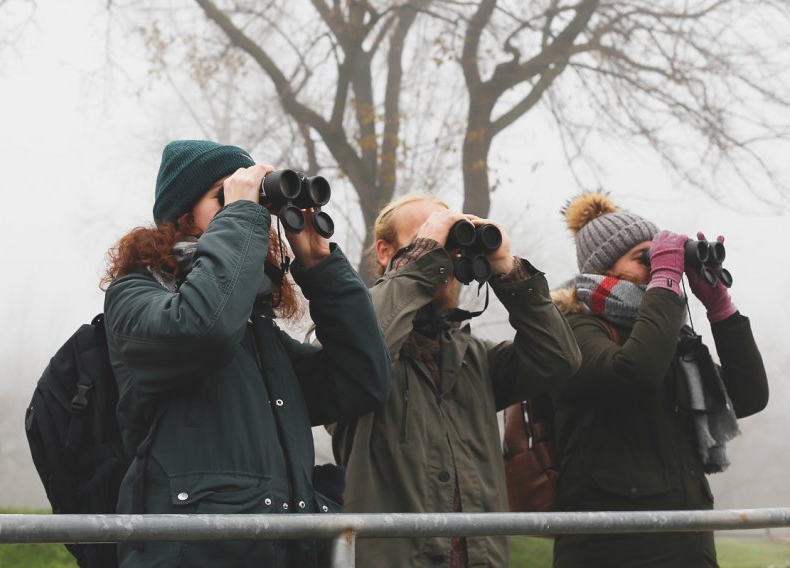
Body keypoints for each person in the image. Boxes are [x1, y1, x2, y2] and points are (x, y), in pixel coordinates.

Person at [101, 140, 392, 567]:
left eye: (254, 198)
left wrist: (321, 268)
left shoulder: (258, 333)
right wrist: (241, 213)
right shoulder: (134, 295)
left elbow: (362, 381)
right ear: (181, 215)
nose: (249, 205)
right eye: (226, 194)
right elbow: (204, 328)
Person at [328, 194, 582, 567]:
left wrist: (508, 272)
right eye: (428, 241)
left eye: (450, 243)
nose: (444, 256)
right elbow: (365, 355)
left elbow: (559, 357)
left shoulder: (472, 358)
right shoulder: (346, 339)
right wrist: (421, 261)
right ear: (386, 252)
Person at [550, 192, 769, 567]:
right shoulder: (571, 328)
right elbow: (633, 375)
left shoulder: (667, 337)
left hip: (689, 545)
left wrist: (720, 308)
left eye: (661, 257)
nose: (657, 268)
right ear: (603, 268)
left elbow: (748, 396)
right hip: (614, 552)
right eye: (644, 259)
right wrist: (667, 280)